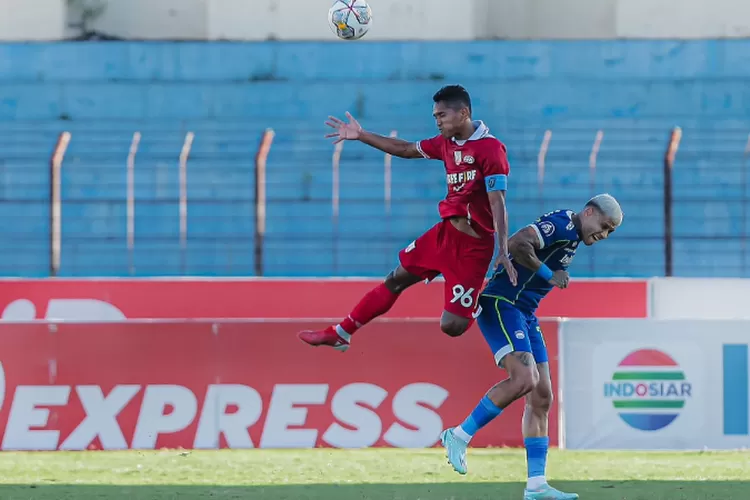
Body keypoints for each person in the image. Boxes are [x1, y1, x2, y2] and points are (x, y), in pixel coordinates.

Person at [299, 85, 517, 350]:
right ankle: (341, 333)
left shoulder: (490, 149)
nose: (437, 121)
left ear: (463, 113)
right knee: (395, 278)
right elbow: (404, 149)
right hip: (444, 235)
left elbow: (498, 201)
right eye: (435, 116)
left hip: (473, 248)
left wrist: (503, 249)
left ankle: (478, 302)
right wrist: (362, 135)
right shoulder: (444, 144)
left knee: (452, 326)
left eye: (442, 115)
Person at [440, 194, 624, 500]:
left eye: (609, 232)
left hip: (524, 312)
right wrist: (549, 275)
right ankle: (458, 435)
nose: (603, 235)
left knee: (542, 396)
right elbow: (516, 243)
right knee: (524, 380)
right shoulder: (564, 225)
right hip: (502, 304)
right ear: (589, 212)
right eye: (604, 226)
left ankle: (536, 485)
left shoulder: (574, 235)